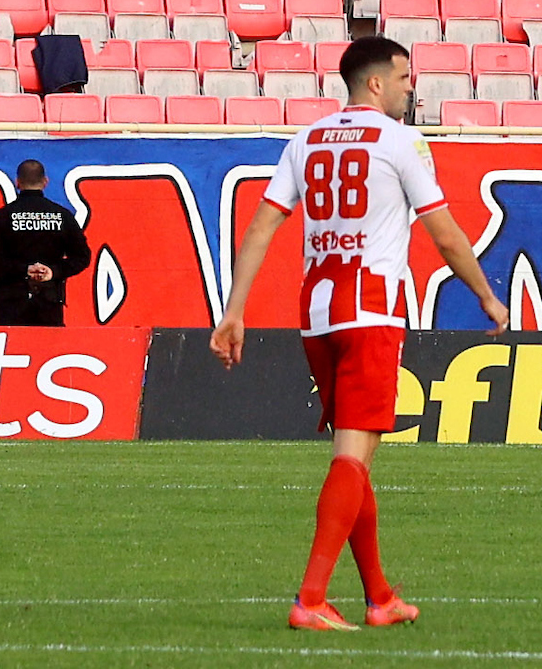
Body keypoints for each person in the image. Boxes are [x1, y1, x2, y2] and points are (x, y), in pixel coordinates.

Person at [211, 36, 508, 633]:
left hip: (317, 318)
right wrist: (484, 294)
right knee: (354, 456)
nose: (410, 86)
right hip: (371, 313)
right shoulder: (401, 142)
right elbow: (446, 235)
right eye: (404, 76)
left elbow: (263, 228)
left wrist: (234, 310)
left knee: (358, 456)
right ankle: (312, 598)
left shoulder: (306, 140)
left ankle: (380, 596)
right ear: (375, 83)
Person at [0, 159, 93, 328]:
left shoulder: (4, 216)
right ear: (45, 182)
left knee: (12, 351)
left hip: (11, 303)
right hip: (49, 301)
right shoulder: (62, 215)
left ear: (18, 182)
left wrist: (24, 270)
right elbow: (82, 257)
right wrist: (52, 271)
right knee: (48, 351)